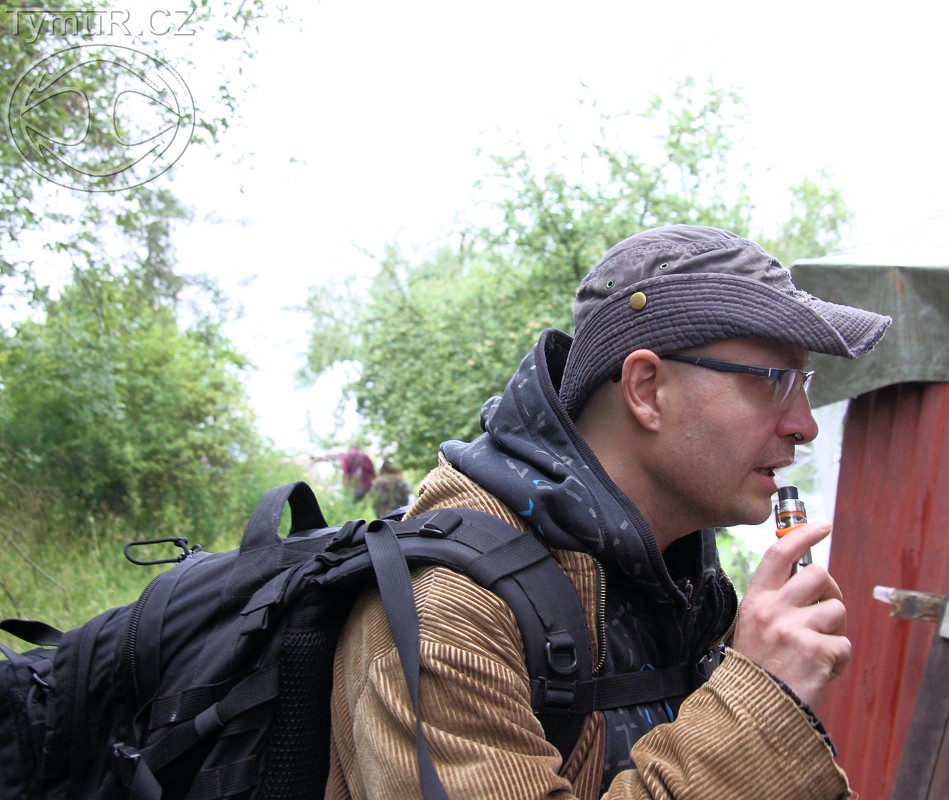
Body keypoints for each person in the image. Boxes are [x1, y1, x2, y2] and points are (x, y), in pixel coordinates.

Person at [327, 224, 892, 799]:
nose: (804, 425)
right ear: (646, 389)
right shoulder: (452, 611)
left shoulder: (678, 579)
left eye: (804, 383)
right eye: (775, 382)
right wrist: (760, 705)